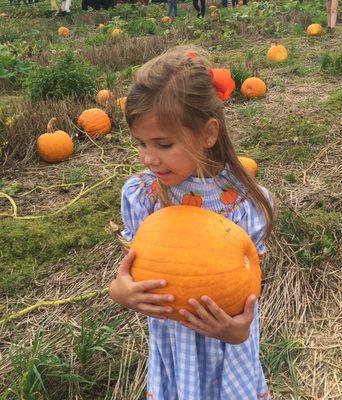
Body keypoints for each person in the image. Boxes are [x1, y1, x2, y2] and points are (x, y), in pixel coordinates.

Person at [109, 45, 275, 400]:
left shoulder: (246, 203)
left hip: (228, 351)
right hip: (174, 351)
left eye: (164, 144)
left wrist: (238, 332)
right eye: (141, 143)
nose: (149, 157)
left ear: (208, 133)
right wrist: (119, 292)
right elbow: (131, 271)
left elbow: (246, 288)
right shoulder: (143, 196)